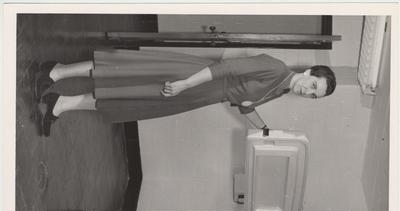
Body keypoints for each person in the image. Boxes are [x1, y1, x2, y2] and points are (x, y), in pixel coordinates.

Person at [34, 49, 336, 137]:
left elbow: (244, 104)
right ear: (310, 72)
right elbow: (226, 67)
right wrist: (186, 84)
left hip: (199, 96)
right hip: (192, 77)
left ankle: (61, 103)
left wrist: (265, 131)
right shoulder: (275, 67)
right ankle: (58, 70)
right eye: (313, 86)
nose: (307, 92)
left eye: (313, 96)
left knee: (128, 99)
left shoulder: (281, 88)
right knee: (125, 72)